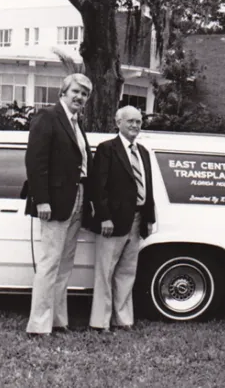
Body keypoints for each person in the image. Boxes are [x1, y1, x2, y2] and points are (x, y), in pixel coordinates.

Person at [24, 73, 94, 337]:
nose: (79, 97)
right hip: (54, 202)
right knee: (50, 263)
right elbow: (35, 162)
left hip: (77, 198)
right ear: (63, 92)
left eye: (84, 94)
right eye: (76, 91)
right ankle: (39, 325)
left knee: (65, 265)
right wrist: (41, 199)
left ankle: (57, 320)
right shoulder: (48, 117)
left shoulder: (76, 124)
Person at [88, 105, 155, 333]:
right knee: (105, 272)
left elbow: (148, 187)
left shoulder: (144, 152)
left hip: (137, 220)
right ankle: (100, 322)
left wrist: (149, 217)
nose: (136, 125)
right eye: (130, 121)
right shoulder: (107, 149)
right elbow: (98, 186)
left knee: (127, 271)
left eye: (138, 121)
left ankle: (123, 319)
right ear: (118, 123)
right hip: (113, 222)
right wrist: (104, 217)